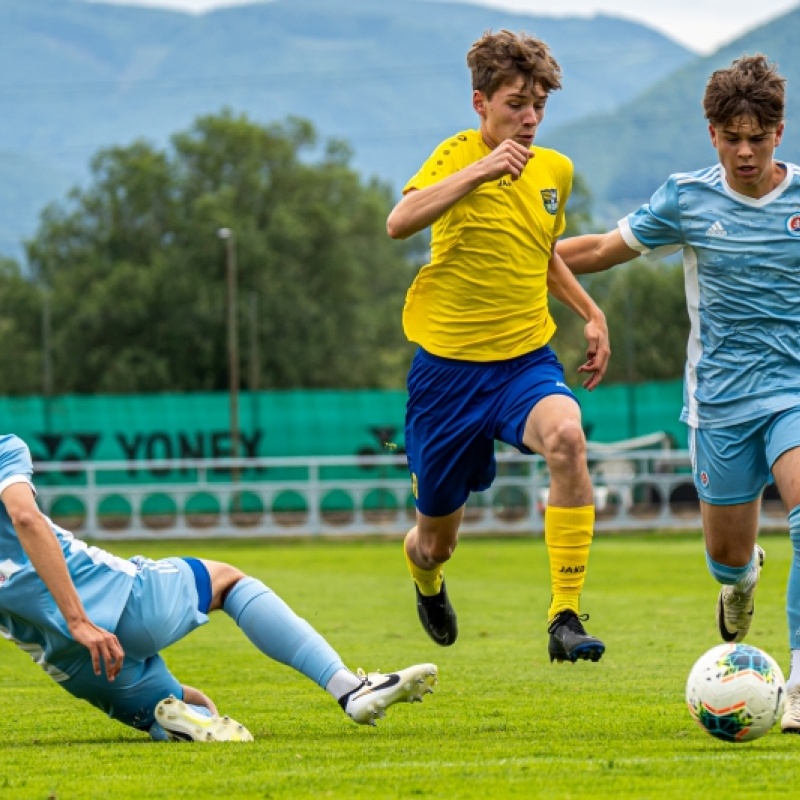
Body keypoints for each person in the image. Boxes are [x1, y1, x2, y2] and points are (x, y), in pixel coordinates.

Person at [556, 54, 800, 732]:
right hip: (720, 404)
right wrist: (522, 257)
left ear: (780, 130)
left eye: (758, 135)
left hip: (794, 392)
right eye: (731, 136)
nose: (745, 150)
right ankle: (740, 580)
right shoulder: (687, 198)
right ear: (712, 133)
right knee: (725, 558)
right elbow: (605, 248)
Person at [386, 30, 610, 664]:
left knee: (567, 437)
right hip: (446, 376)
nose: (531, 118)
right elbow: (398, 223)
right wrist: (482, 168)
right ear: (480, 102)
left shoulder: (553, 171)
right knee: (436, 543)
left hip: (523, 363)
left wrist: (591, 312)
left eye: (539, 104)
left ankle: (564, 616)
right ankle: (424, 575)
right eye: (516, 103)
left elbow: (540, 255)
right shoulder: (455, 156)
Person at [0, 433, 438, 741]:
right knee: (227, 582)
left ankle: (177, 719)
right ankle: (349, 689)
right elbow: (24, 516)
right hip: (120, 604)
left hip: (75, 666)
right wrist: (78, 619)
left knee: (183, 705)